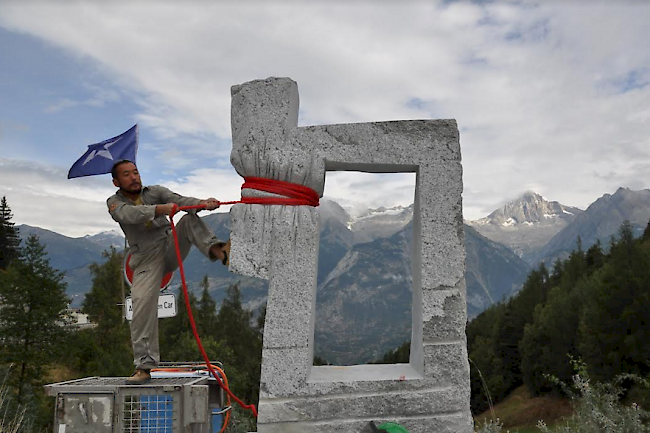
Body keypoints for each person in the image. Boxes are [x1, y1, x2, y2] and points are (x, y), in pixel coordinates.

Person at [107, 159, 229, 384]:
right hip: (145, 259)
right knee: (142, 304)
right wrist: (159, 210)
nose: (134, 177)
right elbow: (129, 215)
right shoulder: (114, 202)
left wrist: (202, 203)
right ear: (116, 181)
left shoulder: (156, 191)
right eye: (127, 174)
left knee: (188, 218)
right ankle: (144, 367)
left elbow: (180, 201)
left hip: (169, 246)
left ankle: (219, 251)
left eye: (136, 172)